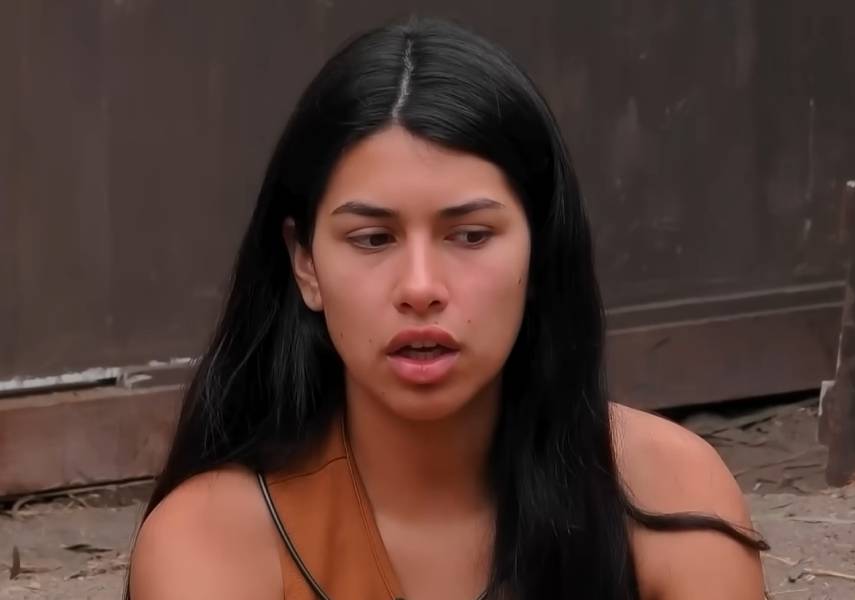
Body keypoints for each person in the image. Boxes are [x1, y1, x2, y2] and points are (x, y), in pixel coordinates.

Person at [129, 18, 768, 600]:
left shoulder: (665, 491)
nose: (420, 287)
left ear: (541, 252)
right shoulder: (215, 540)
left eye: (470, 235)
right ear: (306, 264)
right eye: (372, 239)